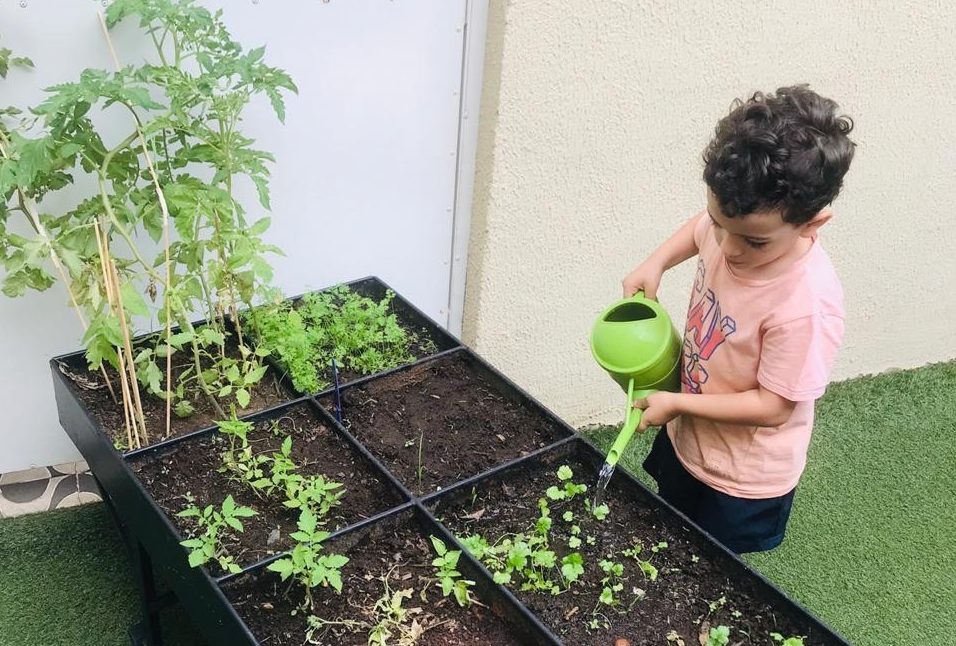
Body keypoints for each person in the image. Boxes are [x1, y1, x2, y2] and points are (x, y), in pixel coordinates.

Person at [621, 85, 856, 553]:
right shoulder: (734, 220)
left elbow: (774, 407)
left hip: (742, 478)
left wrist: (679, 403)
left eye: (753, 242)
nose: (727, 248)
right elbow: (700, 226)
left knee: (710, 568)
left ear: (812, 223)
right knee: (670, 532)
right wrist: (657, 261)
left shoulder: (805, 306)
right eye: (720, 225)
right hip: (687, 435)